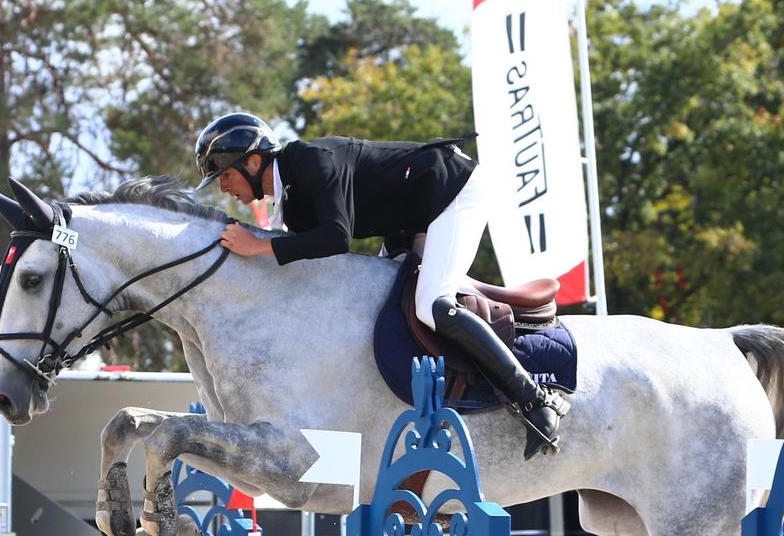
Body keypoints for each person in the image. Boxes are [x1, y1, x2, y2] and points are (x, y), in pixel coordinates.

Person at [193, 112, 567, 459]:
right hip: (411, 219)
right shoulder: (289, 197)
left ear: (254, 162)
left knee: (432, 305)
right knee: (381, 310)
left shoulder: (309, 160)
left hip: (452, 190)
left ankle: (535, 400)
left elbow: (336, 238)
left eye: (225, 175)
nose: (224, 188)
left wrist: (258, 245)